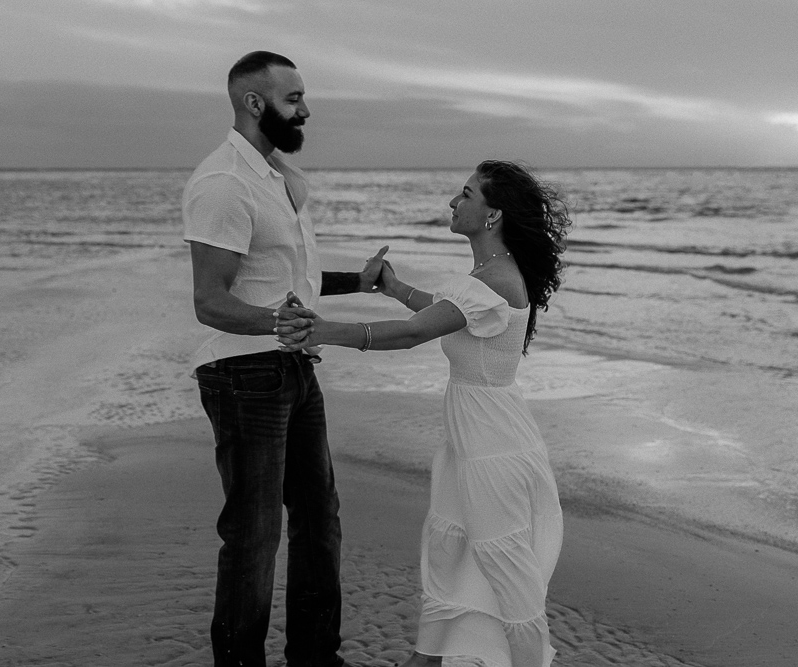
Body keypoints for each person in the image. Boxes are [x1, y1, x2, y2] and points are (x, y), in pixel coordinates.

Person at [277, 160, 571, 667]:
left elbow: (416, 332)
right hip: (473, 434)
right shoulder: (485, 276)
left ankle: (529, 659)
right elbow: (440, 308)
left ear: (493, 214)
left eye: (466, 195)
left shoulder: (495, 280)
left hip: (492, 445)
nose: (453, 203)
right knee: (449, 551)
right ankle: (426, 659)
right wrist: (393, 288)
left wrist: (322, 330)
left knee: (503, 564)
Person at [182, 50, 388, 667]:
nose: (305, 109)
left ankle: (315, 658)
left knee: (320, 522)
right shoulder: (223, 183)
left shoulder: (277, 181)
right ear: (254, 103)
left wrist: (363, 281)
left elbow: (290, 281)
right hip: (242, 374)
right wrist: (280, 322)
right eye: (294, 98)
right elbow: (210, 302)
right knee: (254, 535)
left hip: (295, 368)